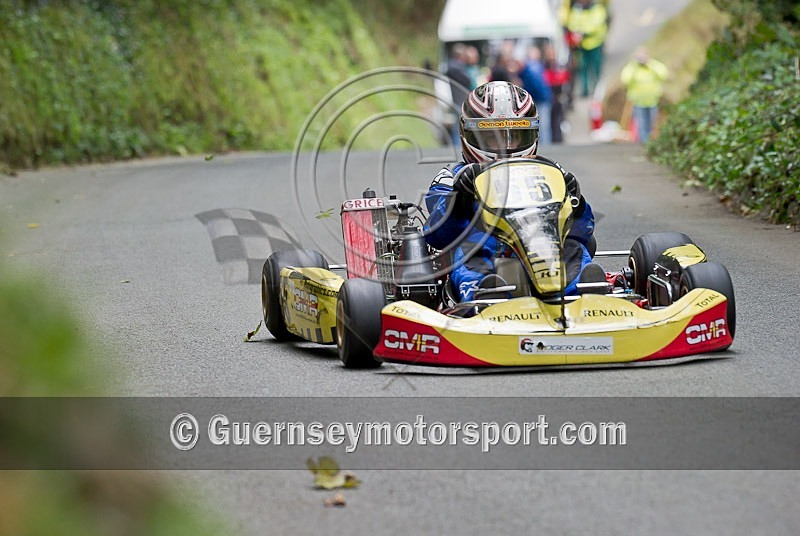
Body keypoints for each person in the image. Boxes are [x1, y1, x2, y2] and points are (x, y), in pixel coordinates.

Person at [423, 81, 598, 302]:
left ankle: (584, 291)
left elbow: (584, 232)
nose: (505, 147)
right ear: (468, 135)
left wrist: (577, 203)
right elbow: (437, 236)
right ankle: (484, 293)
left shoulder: (551, 173)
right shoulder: (452, 178)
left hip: (542, 246)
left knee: (573, 246)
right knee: (472, 247)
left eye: (513, 136)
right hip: (488, 253)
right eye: (491, 138)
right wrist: (460, 200)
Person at [620, 47, 669, 143]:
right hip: (638, 101)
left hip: (653, 101)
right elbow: (625, 79)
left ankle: (652, 142)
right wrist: (633, 65)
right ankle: (644, 143)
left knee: (652, 123)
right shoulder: (633, 67)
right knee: (641, 124)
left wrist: (649, 64)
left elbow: (664, 74)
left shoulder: (653, 65)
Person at [565, 0, 608, 98]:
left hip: (595, 44)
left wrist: (583, 32)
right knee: (582, 67)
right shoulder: (577, 8)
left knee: (596, 67)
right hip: (581, 45)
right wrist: (576, 32)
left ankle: (597, 89)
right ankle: (584, 90)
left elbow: (597, 24)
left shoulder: (597, 8)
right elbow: (572, 22)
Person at [518, 46, 553, 145]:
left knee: (540, 124)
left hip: (536, 99)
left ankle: (542, 144)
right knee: (544, 124)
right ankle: (545, 144)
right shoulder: (534, 67)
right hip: (540, 99)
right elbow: (539, 85)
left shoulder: (530, 67)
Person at [445, 44, 472, 149]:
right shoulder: (455, 66)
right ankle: (457, 145)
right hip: (459, 98)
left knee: (459, 123)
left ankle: (457, 144)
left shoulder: (453, 66)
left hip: (457, 98)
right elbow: (467, 80)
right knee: (459, 124)